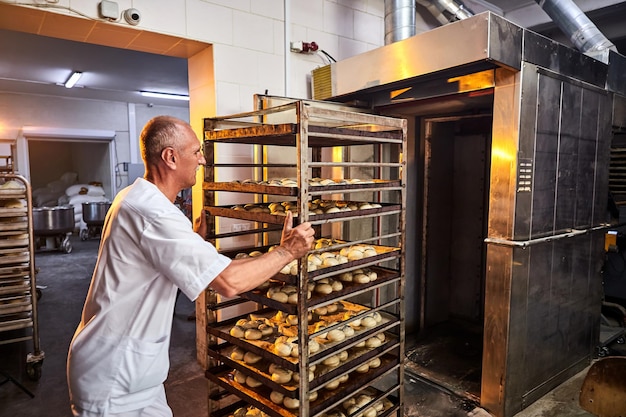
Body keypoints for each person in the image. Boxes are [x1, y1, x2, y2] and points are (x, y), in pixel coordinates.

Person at [66, 116, 314, 417]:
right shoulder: (153, 214)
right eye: (196, 151)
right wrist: (287, 251)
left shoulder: (134, 197)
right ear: (171, 157)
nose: (203, 159)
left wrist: (192, 241)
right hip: (114, 378)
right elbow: (229, 282)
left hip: (137, 372)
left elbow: (152, 258)